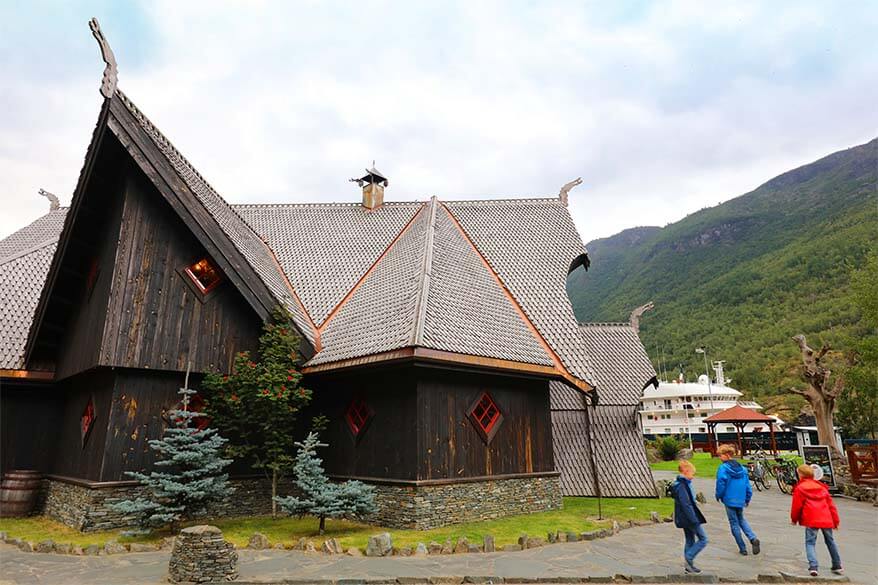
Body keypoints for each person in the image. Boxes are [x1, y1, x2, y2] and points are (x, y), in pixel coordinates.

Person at [790, 464, 843, 577]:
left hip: (811, 518)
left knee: (810, 543)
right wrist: (836, 521)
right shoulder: (822, 488)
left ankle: (813, 566)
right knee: (830, 541)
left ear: (801, 475)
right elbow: (831, 506)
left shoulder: (800, 488)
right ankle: (837, 565)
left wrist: (794, 519)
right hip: (826, 517)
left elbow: (796, 506)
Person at [714, 444, 760, 555]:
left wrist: (718, 495)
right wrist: (747, 498)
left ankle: (742, 548)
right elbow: (747, 486)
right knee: (741, 519)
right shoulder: (743, 469)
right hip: (740, 499)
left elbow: (721, 483)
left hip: (729, 499)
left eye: (720, 455)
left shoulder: (723, 468)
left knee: (734, 523)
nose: (719, 458)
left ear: (727, 455)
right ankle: (753, 538)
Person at [670, 459, 708, 574]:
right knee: (703, 539)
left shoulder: (683, 484)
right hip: (689, 517)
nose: (693, 476)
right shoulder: (682, 485)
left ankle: (689, 566)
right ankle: (689, 558)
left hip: (684, 517)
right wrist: (694, 519)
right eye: (692, 473)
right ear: (686, 471)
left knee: (690, 539)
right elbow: (686, 504)